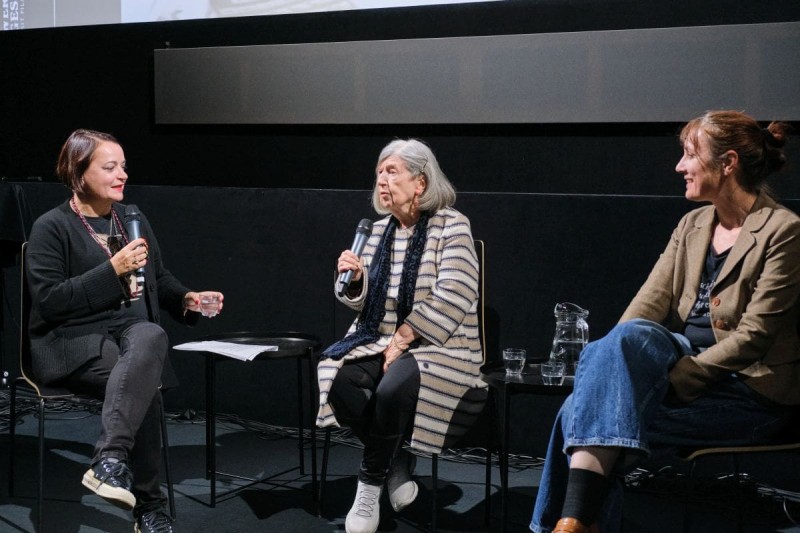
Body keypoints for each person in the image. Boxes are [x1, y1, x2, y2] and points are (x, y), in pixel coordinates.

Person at [530, 110, 800, 533]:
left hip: (747, 393)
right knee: (629, 344)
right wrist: (613, 369)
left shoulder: (783, 230)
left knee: (580, 413)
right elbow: (645, 306)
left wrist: (676, 377)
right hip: (685, 368)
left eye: (689, 154)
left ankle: (566, 525)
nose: (679, 167)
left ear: (727, 163)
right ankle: (577, 523)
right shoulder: (692, 225)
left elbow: (755, 336)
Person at [26, 129, 224, 533]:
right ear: (79, 173)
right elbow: (50, 301)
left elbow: (160, 278)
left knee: (151, 336)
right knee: (141, 380)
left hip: (129, 332)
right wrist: (112, 270)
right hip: (72, 340)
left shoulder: (132, 218)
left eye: (124, 166)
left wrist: (187, 298)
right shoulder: (52, 226)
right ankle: (150, 507)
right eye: (109, 166)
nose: (122, 175)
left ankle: (110, 460)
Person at [316, 139, 487, 533]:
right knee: (334, 375)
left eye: (391, 172)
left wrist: (405, 336)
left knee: (392, 389)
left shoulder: (451, 224)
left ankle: (368, 484)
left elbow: (457, 291)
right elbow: (357, 302)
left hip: (442, 346)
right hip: (381, 338)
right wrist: (356, 280)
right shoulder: (376, 232)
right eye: (379, 172)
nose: (381, 180)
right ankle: (395, 465)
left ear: (421, 182)